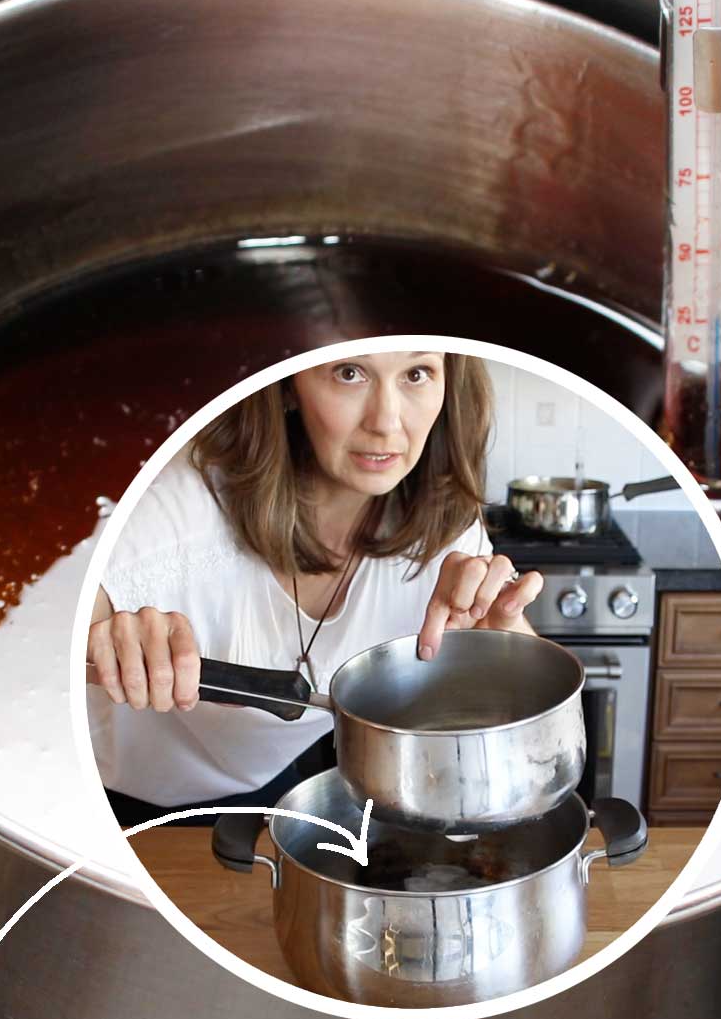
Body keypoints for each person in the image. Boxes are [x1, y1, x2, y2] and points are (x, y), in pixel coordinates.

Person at [86, 350, 544, 825]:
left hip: (269, 780)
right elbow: (32, 645)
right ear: (287, 385)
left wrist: (503, 642)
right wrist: (100, 640)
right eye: (349, 374)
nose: (386, 423)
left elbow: (531, 721)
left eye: (416, 373)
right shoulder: (172, 510)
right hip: (104, 796)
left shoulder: (443, 521)